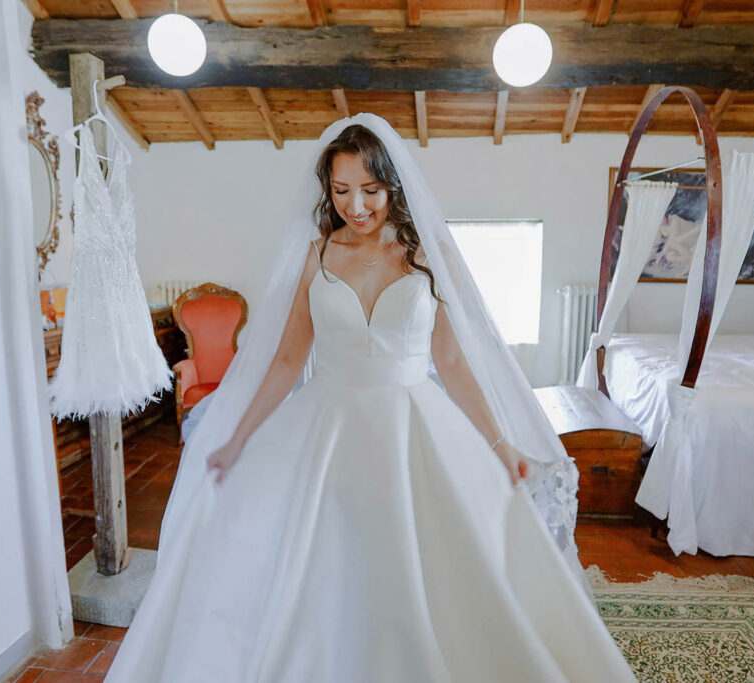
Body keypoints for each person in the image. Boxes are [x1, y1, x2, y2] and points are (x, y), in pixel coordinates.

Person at [104, 115, 635, 682]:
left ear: (393, 187)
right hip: (326, 432)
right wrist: (238, 438)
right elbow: (287, 361)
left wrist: (500, 443)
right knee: (329, 571)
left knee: (427, 568)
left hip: (414, 430)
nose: (355, 206)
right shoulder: (315, 256)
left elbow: (451, 362)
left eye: (370, 190)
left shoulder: (429, 256)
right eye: (341, 191)